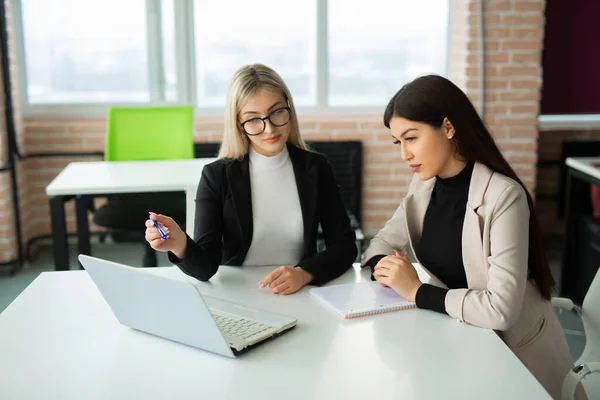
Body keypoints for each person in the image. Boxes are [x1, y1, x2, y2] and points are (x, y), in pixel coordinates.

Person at [362, 75, 584, 399]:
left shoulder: (503, 196)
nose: (404, 154)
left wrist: (416, 291)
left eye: (411, 138)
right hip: (458, 336)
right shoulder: (424, 184)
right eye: (398, 142)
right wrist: (387, 269)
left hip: (512, 355)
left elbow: (501, 309)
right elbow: (381, 242)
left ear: (448, 127)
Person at [145, 63, 357, 295]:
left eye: (277, 112)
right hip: (237, 292)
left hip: (298, 291)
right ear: (239, 125)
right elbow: (205, 268)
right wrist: (179, 244)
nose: (269, 129)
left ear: (289, 109)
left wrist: (304, 273)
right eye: (253, 119)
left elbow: (344, 247)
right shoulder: (217, 176)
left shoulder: (315, 167)